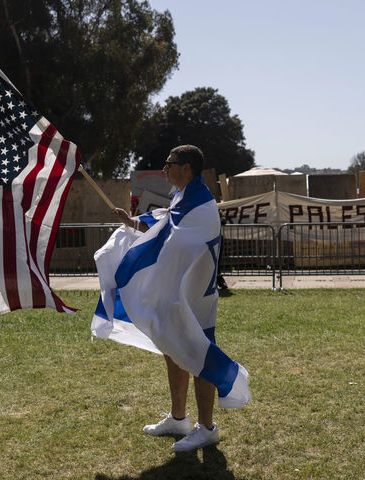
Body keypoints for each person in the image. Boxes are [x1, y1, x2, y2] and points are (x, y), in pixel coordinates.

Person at [110, 145, 229, 452]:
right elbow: (167, 223)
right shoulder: (185, 196)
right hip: (182, 293)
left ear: (186, 168)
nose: (164, 169)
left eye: (169, 164)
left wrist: (140, 247)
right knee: (173, 348)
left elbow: (173, 238)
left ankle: (207, 428)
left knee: (200, 354)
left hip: (196, 296)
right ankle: (179, 418)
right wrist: (133, 223)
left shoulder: (201, 205)